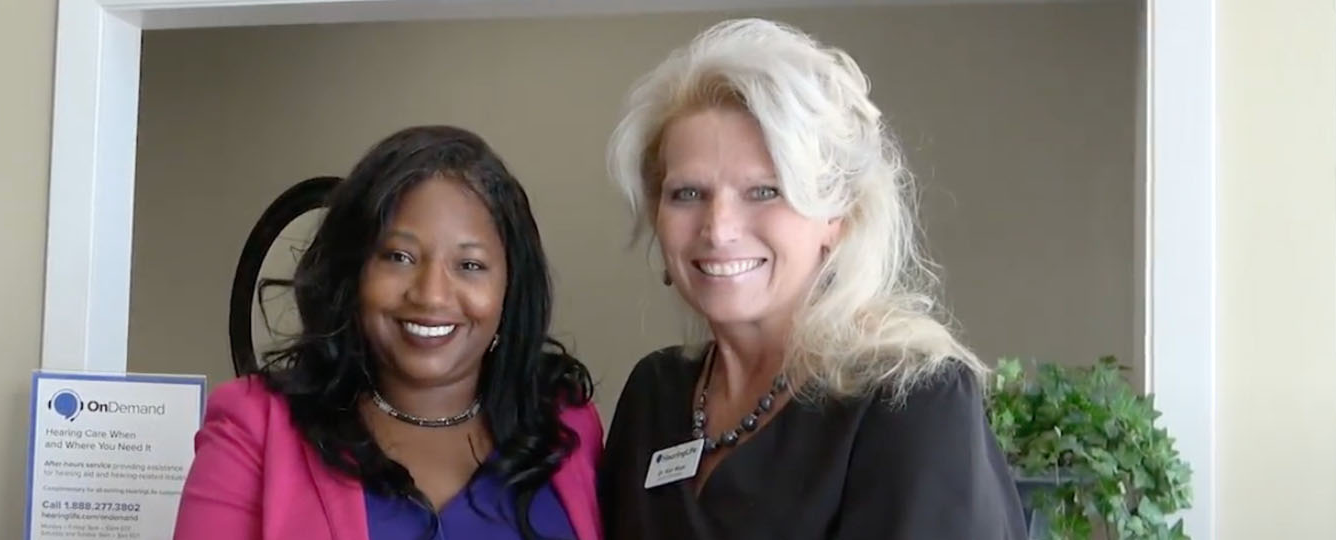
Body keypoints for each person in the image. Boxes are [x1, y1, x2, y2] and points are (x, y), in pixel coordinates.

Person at [597, 19, 1026, 539]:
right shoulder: (655, 394)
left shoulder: (910, 399)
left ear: (836, 215)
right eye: (688, 194)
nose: (718, 229)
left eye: (764, 191)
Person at [175, 125, 602, 540]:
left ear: (511, 287)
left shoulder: (566, 428)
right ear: (353, 272)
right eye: (399, 257)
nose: (431, 295)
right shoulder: (255, 428)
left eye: (470, 265)